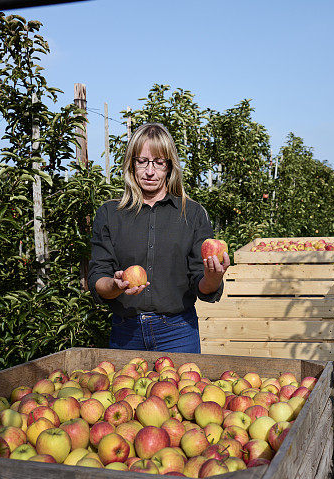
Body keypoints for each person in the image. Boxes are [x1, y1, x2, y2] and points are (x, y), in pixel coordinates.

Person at [87, 122, 230, 353]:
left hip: (178, 333)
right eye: (142, 161)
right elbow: (97, 278)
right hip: (126, 333)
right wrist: (115, 285)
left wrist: (213, 277)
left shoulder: (192, 214)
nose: (150, 171)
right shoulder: (110, 214)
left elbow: (201, 284)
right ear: (131, 164)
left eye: (159, 162)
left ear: (170, 166)